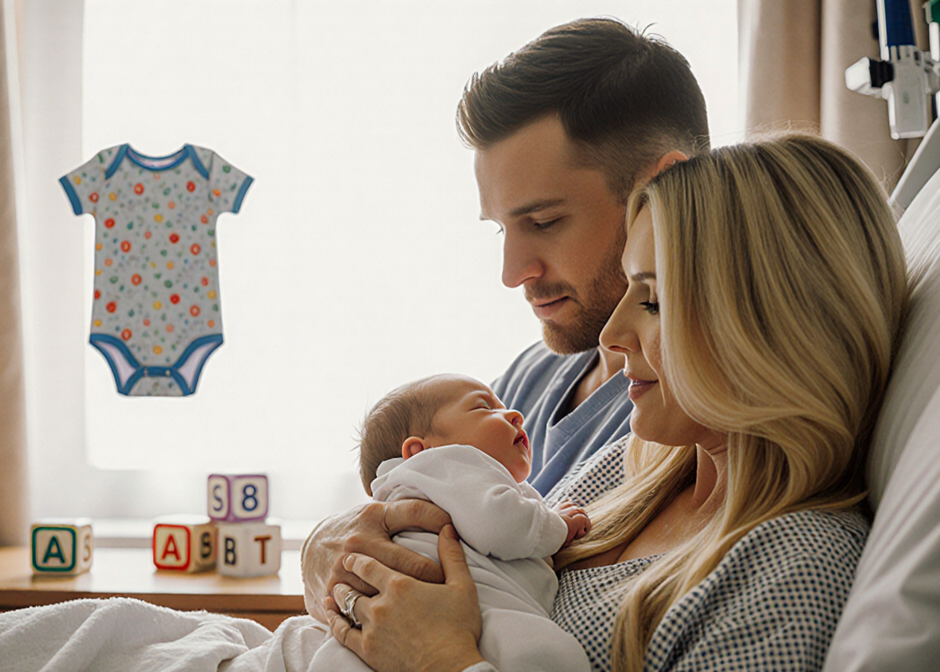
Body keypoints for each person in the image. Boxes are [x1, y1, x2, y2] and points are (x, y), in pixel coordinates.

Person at [324, 134, 909, 671]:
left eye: (652, 301)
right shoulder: (633, 466)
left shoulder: (794, 571)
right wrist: (338, 558)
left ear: (769, 324)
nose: (611, 335)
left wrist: (438, 659)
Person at [301, 16, 711, 625]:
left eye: (544, 222)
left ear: (664, 189)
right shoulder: (529, 379)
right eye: (501, 230)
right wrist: (324, 546)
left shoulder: (682, 415)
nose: (513, 272)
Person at [307, 373, 591, 671]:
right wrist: (558, 525)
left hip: (390, 626)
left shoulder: (425, 485)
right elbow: (500, 527)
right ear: (420, 451)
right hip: (480, 612)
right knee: (559, 658)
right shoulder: (448, 464)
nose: (515, 415)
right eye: (484, 407)